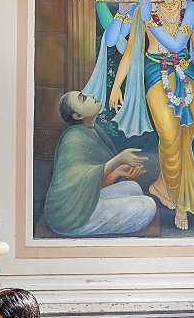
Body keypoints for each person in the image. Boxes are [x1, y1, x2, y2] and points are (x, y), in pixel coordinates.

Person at [106, 0, 194, 231]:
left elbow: (193, 47)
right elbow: (127, 49)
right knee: (170, 138)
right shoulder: (144, 10)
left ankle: (167, 189)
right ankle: (179, 202)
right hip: (154, 74)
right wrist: (117, 85)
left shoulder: (190, 9)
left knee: (185, 141)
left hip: (187, 76)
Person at [42, 89, 157, 237]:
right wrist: (119, 159)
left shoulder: (93, 130)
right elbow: (78, 182)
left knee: (133, 187)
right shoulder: (73, 138)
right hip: (70, 215)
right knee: (148, 206)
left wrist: (117, 172)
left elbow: (91, 182)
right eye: (83, 98)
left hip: (83, 201)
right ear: (78, 115)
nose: (91, 96)